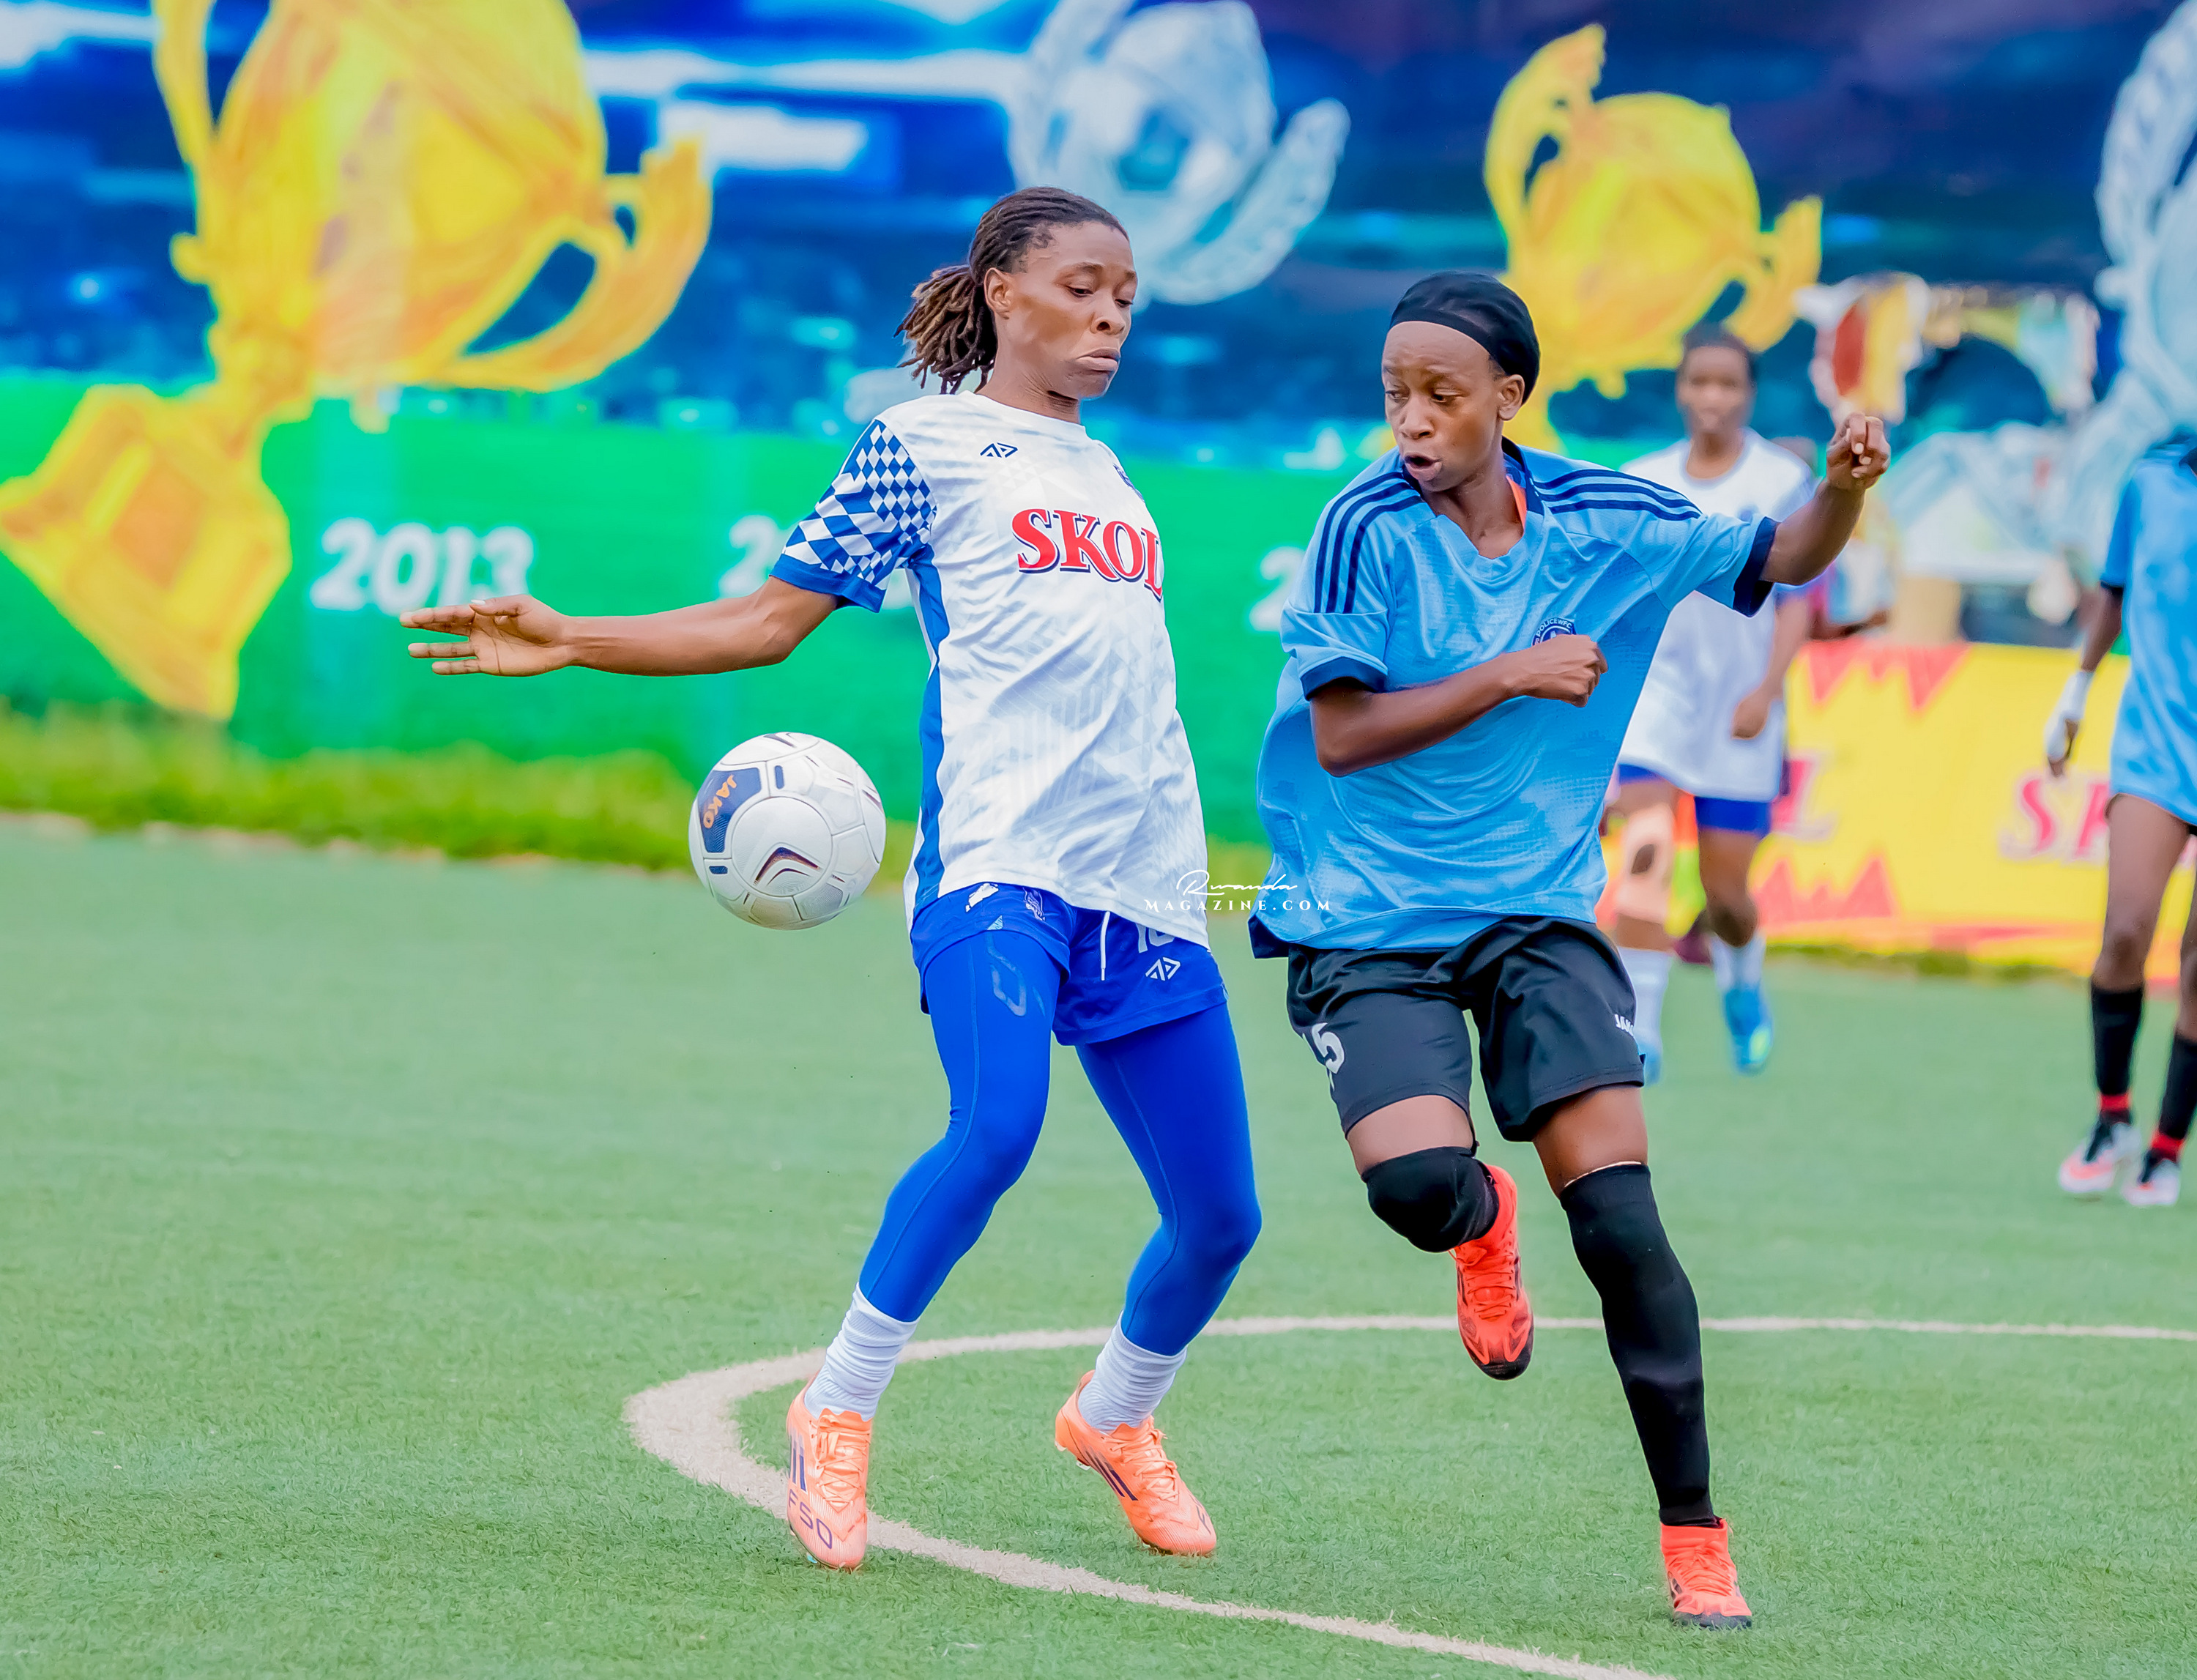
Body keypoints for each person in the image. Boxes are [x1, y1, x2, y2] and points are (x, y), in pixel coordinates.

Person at [398, 187, 1262, 1569]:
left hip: (1145, 885)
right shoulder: (921, 445)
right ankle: (838, 1405)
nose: (1111, 317)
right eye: (1083, 287)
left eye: (1126, 297)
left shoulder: (1111, 473)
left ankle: (1114, 1416)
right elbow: (763, 620)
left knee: (1221, 1217)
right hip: (998, 863)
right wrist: (574, 637)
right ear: (1001, 288)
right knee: (997, 1128)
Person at [1249, 272, 1887, 1630]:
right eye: (1395, 394)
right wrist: (1515, 669)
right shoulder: (1360, 525)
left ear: (1510, 397)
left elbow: (1785, 556)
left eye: (1441, 394)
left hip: (1535, 911)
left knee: (1623, 1221)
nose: (1412, 420)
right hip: (1368, 915)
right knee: (1416, 1183)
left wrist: (1843, 489)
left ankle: (1696, 1533)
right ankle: (1483, 1222)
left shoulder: (1613, 515)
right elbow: (1345, 734)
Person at [1607, 324, 1821, 1082]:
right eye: (1699, 381)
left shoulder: (1782, 480)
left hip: (1741, 709)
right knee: (1647, 854)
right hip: (1659, 698)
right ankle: (1641, 1033)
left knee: (1726, 893)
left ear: (1750, 395)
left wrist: (1767, 689)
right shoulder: (1642, 480)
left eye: (1728, 384)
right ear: (1680, 389)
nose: (1712, 397)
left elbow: (1797, 599)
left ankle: (1742, 985)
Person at [2045, 435, 2197, 1208]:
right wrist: (2074, 694)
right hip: (2158, 747)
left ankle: (2167, 1149)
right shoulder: (2153, 484)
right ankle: (2113, 1118)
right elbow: (2113, 592)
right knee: (2127, 931)